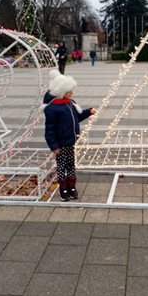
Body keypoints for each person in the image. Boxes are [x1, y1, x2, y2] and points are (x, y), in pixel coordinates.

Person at [43, 69, 96, 201]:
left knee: (71, 165)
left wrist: (88, 112)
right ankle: (63, 188)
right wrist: (54, 146)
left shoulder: (70, 103)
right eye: (69, 91)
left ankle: (72, 186)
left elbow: (77, 117)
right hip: (60, 145)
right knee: (61, 167)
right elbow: (49, 130)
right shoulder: (52, 108)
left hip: (71, 142)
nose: (72, 93)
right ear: (61, 92)